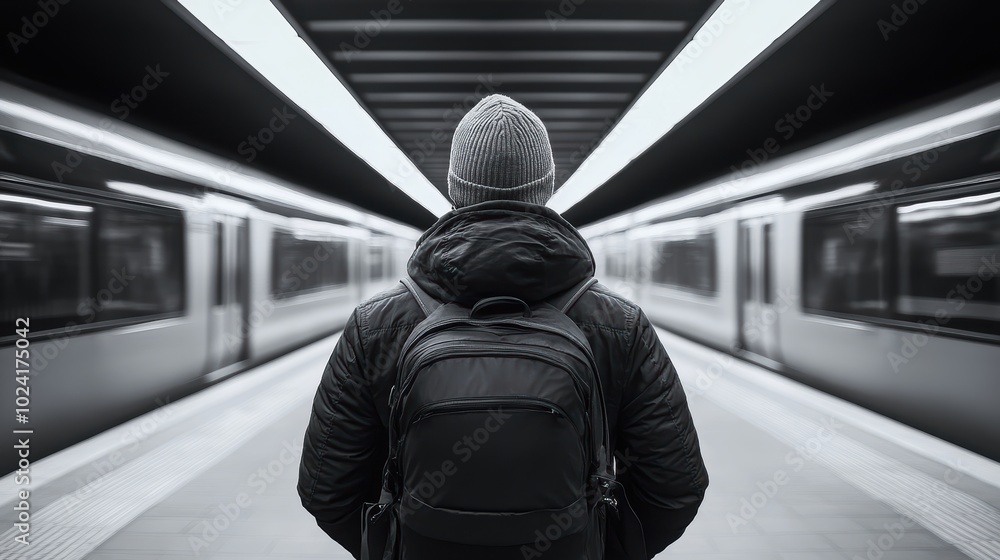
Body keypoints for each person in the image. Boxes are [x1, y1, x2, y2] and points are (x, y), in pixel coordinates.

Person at [298, 94, 708, 559]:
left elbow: (326, 488)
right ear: (548, 187)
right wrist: (598, 546)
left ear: (454, 188)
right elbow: (675, 487)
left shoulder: (376, 326)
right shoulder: (620, 325)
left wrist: (395, 546)